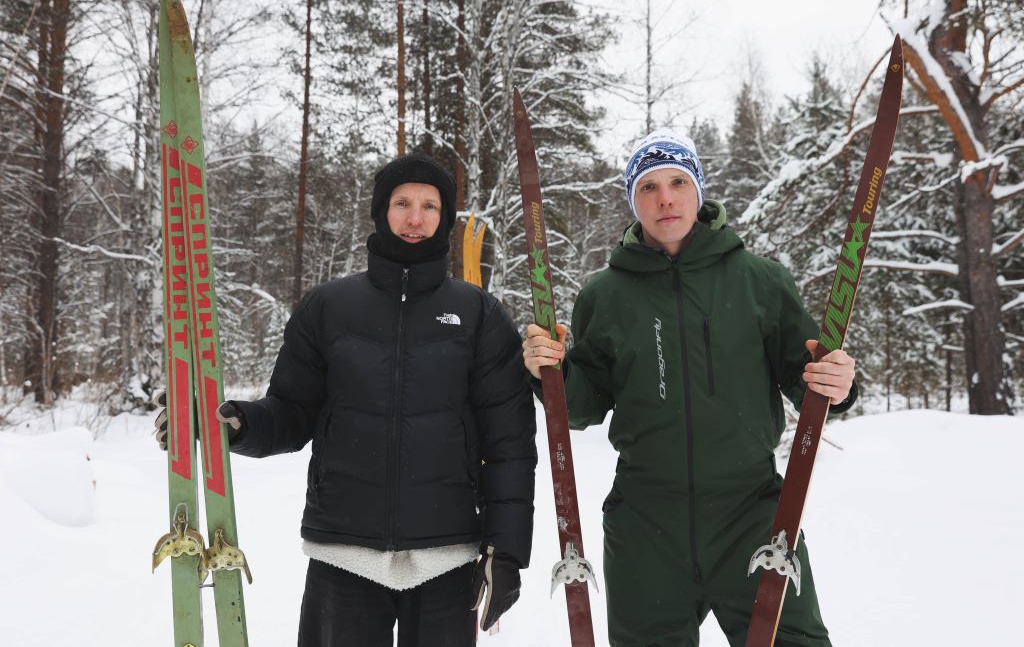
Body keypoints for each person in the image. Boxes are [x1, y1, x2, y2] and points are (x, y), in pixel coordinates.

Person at [155, 153, 537, 647]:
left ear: (446, 218)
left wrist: (505, 551)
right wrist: (236, 424)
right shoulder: (328, 308)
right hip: (344, 556)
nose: (415, 218)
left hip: (447, 559)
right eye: (402, 203)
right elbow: (292, 413)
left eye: (429, 206)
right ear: (381, 211)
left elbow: (509, 442)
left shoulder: (478, 314)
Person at [522, 130, 857, 647]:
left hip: (752, 515)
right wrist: (552, 372)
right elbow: (583, 407)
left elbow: (807, 380)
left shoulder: (759, 281)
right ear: (633, 201)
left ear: (699, 190)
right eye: (648, 187)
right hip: (646, 524)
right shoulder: (604, 294)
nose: (665, 198)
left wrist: (836, 382)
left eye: (678, 181)